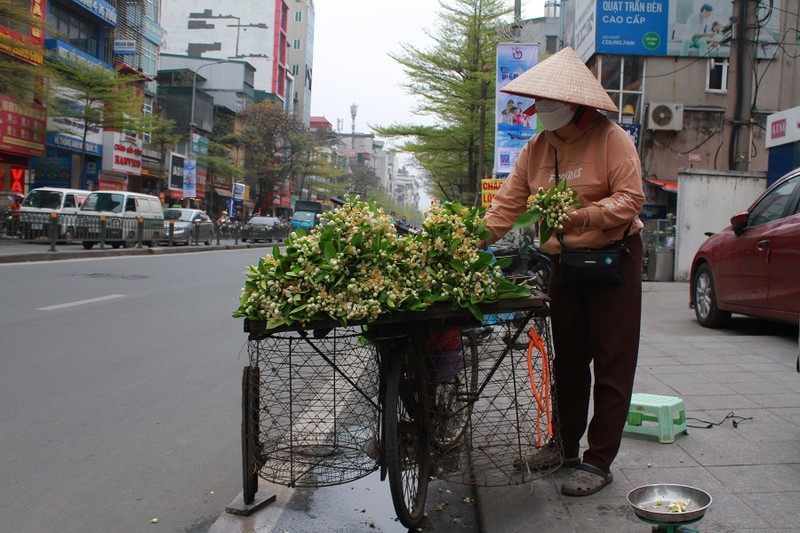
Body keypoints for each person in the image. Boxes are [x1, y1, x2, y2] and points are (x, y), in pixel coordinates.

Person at [480, 47, 644, 497]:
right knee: (568, 361)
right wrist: (467, 241)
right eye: (539, 107)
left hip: (615, 260)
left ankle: (598, 460)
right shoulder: (536, 148)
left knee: (613, 361)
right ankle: (564, 447)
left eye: (549, 107)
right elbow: (506, 208)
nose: (541, 114)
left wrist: (585, 216)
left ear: (574, 105)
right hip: (564, 265)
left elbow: (631, 198)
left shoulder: (612, 139)